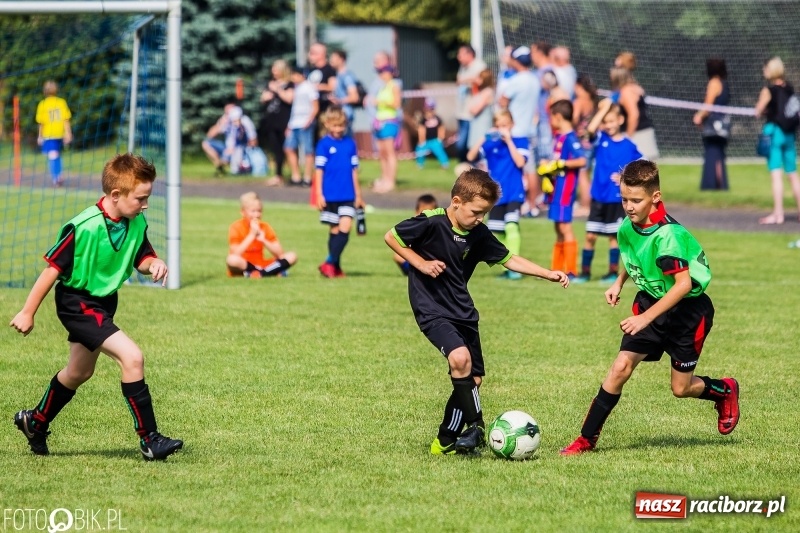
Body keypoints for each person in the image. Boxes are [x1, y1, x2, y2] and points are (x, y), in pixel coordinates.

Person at [9, 153, 183, 461]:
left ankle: (34, 422)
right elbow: (51, 270)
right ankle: (150, 440)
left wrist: (153, 263)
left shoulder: (135, 220)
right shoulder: (84, 227)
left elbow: (141, 255)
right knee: (132, 357)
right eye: (141, 199)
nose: (145, 205)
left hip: (103, 302)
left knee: (78, 372)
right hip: (77, 303)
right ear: (116, 195)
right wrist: (27, 311)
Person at [384, 168, 570, 456]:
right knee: (460, 359)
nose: (480, 218)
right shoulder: (431, 222)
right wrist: (419, 264)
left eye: (485, 213)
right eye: (476, 212)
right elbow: (392, 236)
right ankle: (478, 427)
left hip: (464, 312)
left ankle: (445, 439)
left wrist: (547, 273)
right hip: (431, 309)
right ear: (457, 201)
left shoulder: (478, 233)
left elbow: (509, 258)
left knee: (474, 380)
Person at [560, 159, 739, 456]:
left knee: (681, 388)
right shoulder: (629, 227)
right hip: (651, 303)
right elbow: (635, 257)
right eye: (624, 199)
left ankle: (725, 389)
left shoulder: (668, 236)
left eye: (636, 200)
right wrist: (619, 282)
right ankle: (586, 440)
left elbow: (681, 286)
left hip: (687, 312)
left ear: (655, 197)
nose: (628, 206)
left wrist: (644, 319)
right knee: (620, 368)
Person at [573, 99, 641, 284]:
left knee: (613, 237)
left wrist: (624, 177)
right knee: (590, 235)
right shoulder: (601, 139)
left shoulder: (629, 145)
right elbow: (590, 130)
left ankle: (612, 272)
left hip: (616, 199)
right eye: (606, 122)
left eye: (612, 121)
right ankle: (585, 273)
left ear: (620, 120)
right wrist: (603, 109)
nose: (608, 125)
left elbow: (642, 166)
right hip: (598, 197)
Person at [466, 109, 530, 280]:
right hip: (495, 195)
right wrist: (483, 138)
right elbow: (470, 156)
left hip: (514, 192)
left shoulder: (520, 141)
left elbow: (520, 161)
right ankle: (506, 268)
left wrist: (509, 140)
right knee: (497, 232)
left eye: (505, 125)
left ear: (512, 125)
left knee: (511, 226)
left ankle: (515, 270)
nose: (501, 129)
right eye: (498, 125)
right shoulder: (490, 145)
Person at [537, 100, 587, 279]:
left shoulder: (571, 138)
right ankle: (556, 269)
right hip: (555, 190)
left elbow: (582, 160)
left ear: (558, 117)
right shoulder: (559, 137)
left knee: (565, 228)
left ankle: (572, 270)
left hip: (565, 191)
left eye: (551, 116)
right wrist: (548, 166)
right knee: (558, 228)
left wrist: (561, 164)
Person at [315, 107, 364, 278]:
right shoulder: (323, 144)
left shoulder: (350, 144)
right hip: (329, 195)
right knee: (334, 231)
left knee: (345, 227)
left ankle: (328, 262)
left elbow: (354, 171)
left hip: (348, 195)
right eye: (335, 125)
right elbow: (319, 171)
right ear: (327, 124)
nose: (338, 129)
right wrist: (319, 194)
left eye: (341, 126)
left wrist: (358, 195)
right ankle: (335, 267)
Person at [754, 57, 800, 224]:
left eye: (765, 68)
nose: (763, 71)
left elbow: (758, 111)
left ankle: (778, 214)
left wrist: (762, 109)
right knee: (793, 174)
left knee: (776, 174)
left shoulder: (769, 90)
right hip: (789, 134)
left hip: (775, 133)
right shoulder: (789, 88)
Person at [497, 46, 539, 216]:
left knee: (515, 169)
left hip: (515, 132)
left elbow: (502, 101)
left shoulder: (516, 80)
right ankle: (532, 204)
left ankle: (515, 201)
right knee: (530, 169)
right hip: (530, 130)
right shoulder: (534, 79)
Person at [226, 191, 297, 278]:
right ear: (243, 212)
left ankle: (260, 273)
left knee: (292, 256)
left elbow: (280, 254)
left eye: (259, 211)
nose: (256, 215)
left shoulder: (265, 227)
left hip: (261, 264)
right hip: (244, 264)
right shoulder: (236, 227)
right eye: (253, 211)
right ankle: (269, 272)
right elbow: (235, 253)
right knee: (231, 260)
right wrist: (251, 235)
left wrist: (264, 240)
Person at [694, 58, 730, 191]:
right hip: (723, 125)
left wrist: (699, 116)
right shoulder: (724, 83)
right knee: (719, 154)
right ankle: (721, 185)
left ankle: (712, 184)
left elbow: (708, 106)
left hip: (714, 126)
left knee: (712, 154)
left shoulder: (714, 83)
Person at [610, 66, 660, 161]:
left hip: (638, 135)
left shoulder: (626, 91)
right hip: (644, 131)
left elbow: (634, 114)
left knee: (640, 169)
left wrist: (628, 137)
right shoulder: (635, 88)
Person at [261, 60, 294, 187]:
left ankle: (293, 175)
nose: (273, 71)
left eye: (276, 69)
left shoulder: (289, 84)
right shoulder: (271, 83)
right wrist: (265, 96)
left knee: (287, 148)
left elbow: (289, 98)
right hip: (271, 121)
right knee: (276, 149)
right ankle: (278, 175)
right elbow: (263, 98)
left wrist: (278, 90)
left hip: (284, 121)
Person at [285, 65, 319, 187]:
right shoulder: (297, 88)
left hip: (305, 122)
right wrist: (289, 125)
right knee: (289, 148)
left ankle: (308, 177)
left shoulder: (309, 87)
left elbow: (315, 106)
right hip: (294, 122)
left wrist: (309, 121)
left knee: (308, 150)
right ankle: (296, 176)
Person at [201, 104, 258, 177]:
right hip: (226, 147)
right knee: (206, 143)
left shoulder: (244, 122)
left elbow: (252, 139)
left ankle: (224, 167)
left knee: (233, 156)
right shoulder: (226, 120)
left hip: (239, 149)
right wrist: (221, 123)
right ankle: (219, 164)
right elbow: (210, 135)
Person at [370, 64, 401, 193]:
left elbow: (396, 104)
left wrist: (380, 102)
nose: (381, 75)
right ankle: (384, 178)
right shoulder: (382, 88)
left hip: (389, 121)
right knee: (382, 153)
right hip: (379, 121)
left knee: (389, 152)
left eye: (383, 72)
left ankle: (391, 180)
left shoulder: (394, 86)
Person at [36, 80, 73, 187]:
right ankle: (59, 175)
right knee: (57, 155)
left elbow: (41, 123)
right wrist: (68, 133)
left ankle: (56, 177)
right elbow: (66, 120)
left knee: (52, 156)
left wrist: (40, 136)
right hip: (59, 133)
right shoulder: (61, 102)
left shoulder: (42, 104)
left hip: (49, 134)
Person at [455, 45, 488, 162]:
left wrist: (465, 80)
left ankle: (470, 166)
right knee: (462, 144)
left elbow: (481, 81)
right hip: (463, 112)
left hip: (474, 113)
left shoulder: (480, 66)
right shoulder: (463, 67)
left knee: (467, 144)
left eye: (461, 54)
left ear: (470, 54)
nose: (458, 57)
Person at [392, 194, 439, 275]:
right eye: (423, 213)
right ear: (416, 212)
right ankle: (410, 271)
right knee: (398, 256)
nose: (426, 217)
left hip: (434, 263)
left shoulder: (439, 229)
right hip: (416, 262)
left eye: (430, 213)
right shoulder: (414, 229)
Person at [573, 74, 600, 215]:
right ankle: (588, 202)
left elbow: (574, 119)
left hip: (582, 142)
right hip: (592, 141)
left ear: (578, 86)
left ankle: (585, 205)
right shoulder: (592, 100)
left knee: (582, 175)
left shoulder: (579, 102)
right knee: (588, 174)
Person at [328, 49, 360, 134]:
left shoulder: (347, 76)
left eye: (334, 58)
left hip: (345, 115)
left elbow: (354, 97)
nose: (331, 60)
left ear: (341, 59)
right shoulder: (338, 75)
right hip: (340, 114)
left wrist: (338, 101)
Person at [415, 98, 450, 170]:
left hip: (435, 140)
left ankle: (444, 164)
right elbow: (421, 130)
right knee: (420, 150)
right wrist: (422, 141)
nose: (429, 112)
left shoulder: (437, 119)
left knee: (440, 151)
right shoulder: (423, 120)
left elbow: (441, 128)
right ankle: (420, 164)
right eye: (428, 110)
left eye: (431, 110)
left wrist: (440, 138)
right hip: (426, 141)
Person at [467, 68, 496, 150]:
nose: (476, 79)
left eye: (479, 78)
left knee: (480, 145)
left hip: (482, 124)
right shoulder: (481, 91)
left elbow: (475, 110)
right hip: (476, 123)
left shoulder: (487, 92)